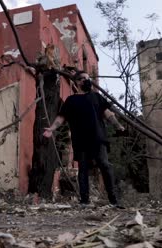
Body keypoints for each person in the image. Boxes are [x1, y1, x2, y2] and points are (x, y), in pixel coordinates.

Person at [43, 70, 125, 207]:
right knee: (83, 169)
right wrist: (52, 128)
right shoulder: (71, 100)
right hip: (80, 140)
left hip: (98, 138)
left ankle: (114, 200)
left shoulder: (97, 97)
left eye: (88, 78)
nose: (86, 81)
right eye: (83, 78)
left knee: (105, 166)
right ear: (77, 82)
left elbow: (108, 113)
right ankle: (84, 201)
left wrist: (117, 125)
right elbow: (61, 117)